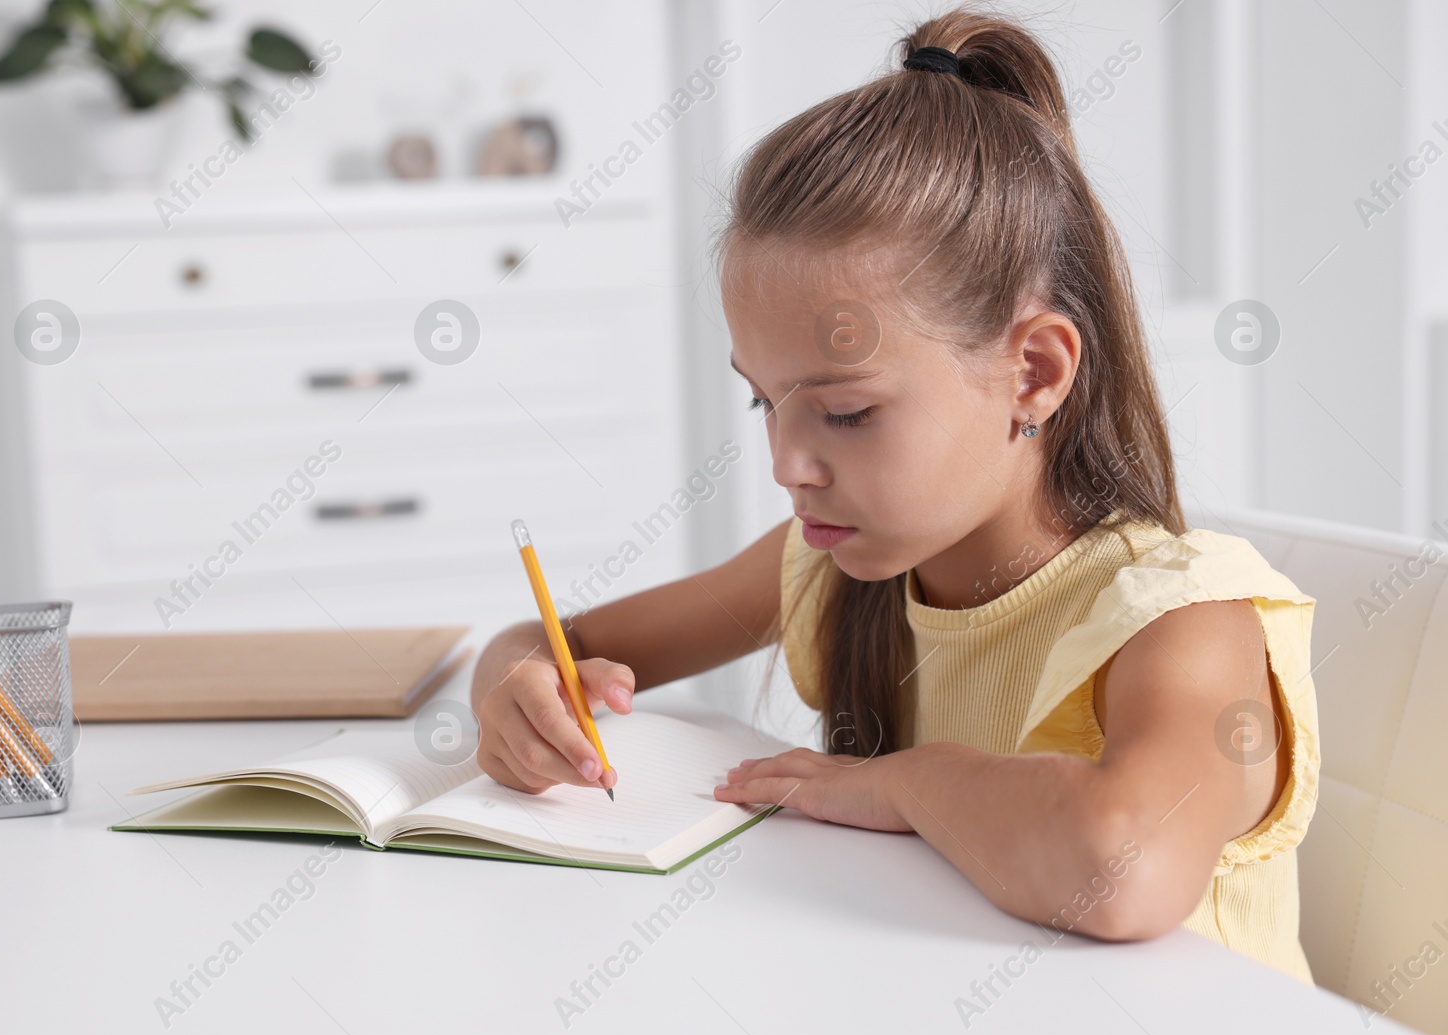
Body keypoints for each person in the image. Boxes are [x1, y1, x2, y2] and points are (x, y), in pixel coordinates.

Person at [469, 5, 1318, 983]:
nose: (787, 463)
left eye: (846, 413)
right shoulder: (826, 565)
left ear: (1034, 371)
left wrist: (903, 783)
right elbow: (548, 644)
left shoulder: (1181, 616)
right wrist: (512, 688)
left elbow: (1120, 867)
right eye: (764, 403)